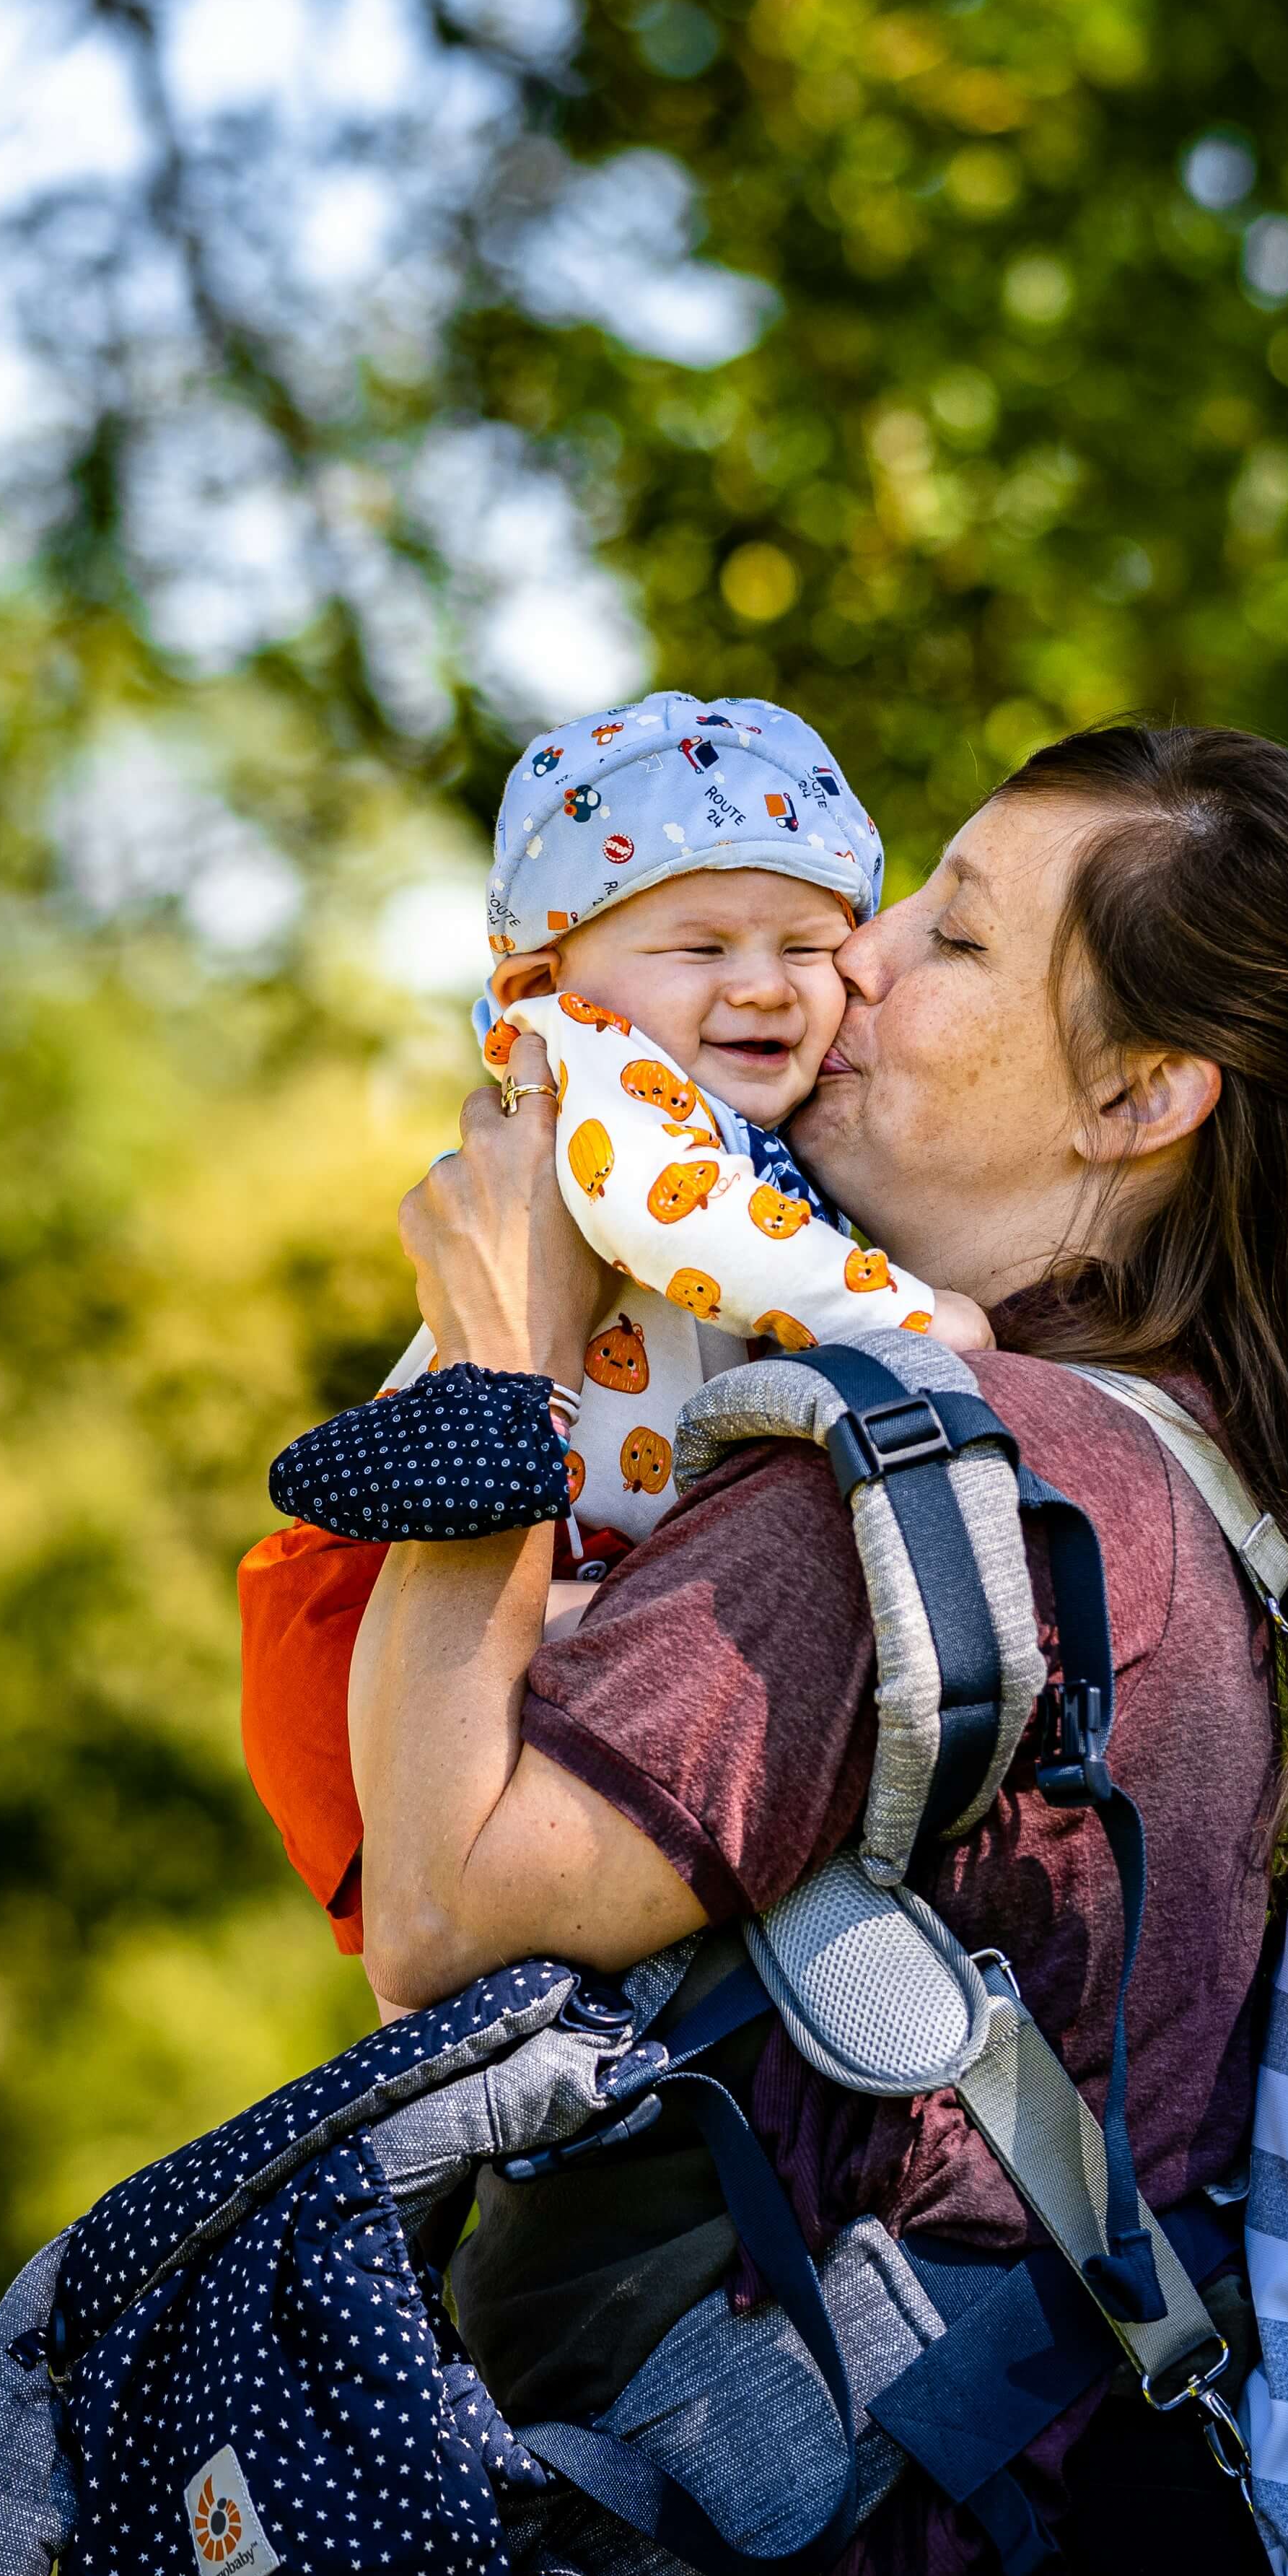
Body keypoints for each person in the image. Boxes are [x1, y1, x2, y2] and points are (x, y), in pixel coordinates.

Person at [357, 723, 1288, 2576]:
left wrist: (490, 1379)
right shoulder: (1284, 1508)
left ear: (1141, 1094)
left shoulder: (925, 1488)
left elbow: (440, 1909)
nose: (844, 963)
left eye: (947, 935)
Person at [240, 689, 975, 1952]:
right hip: (389, 1590)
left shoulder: (733, 1114)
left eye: (806, 948)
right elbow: (676, 1217)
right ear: (544, 974)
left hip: (549, 1563)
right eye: (700, 948)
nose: (762, 986)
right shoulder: (591, 1066)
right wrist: (909, 1317)